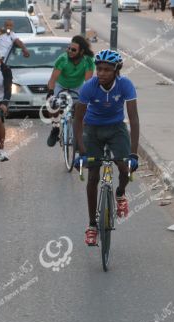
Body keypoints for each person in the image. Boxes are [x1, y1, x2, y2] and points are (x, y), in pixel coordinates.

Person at [73, 49, 140, 246]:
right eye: (99, 69)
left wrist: (134, 154)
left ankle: (120, 193)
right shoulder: (89, 87)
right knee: (93, 175)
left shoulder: (125, 85)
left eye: (106, 70)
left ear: (116, 70)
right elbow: (78, 122)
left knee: (124, 166)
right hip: (92, 129)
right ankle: (92, 225)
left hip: (116, 128)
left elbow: (134, 120)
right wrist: (81, 152)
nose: (101, 73)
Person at [46, 35, 95, 147]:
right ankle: (55, 128)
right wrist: (50, 92)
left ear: (81, 52)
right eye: (69, 48)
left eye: (73, 50)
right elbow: (53, 79)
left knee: (81, 109)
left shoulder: (88, 61)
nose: (69, 51)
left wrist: (89, 97)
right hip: (61, 85)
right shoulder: (62, 59)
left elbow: (88, 81)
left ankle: (78, 135)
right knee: (53, 104)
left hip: (77, 86)